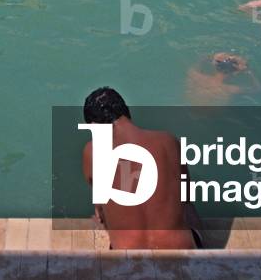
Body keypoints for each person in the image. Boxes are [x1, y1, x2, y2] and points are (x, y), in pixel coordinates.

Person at [81, 87, 200, 249]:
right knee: (188, 210)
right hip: (182, 261)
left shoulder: (93, 151)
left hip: (130, 266)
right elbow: (186, 196)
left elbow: (101, 212)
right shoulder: (168, 141)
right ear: (126, 112)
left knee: (101, 214)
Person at [185, 53, 256, 104]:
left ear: (215, 67)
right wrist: (250, 72)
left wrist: (205, 58)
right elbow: (257, 88)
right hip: (210, 117)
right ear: (234, 73)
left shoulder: (195, 76)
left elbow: (195, 65)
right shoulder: (229, 89)